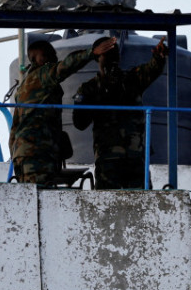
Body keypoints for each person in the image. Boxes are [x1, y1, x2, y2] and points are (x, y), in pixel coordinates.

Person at [10, 37, 117, 185]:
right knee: (41, 198)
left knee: (31, 199)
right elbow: (65, 66)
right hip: (39, 153)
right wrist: (91, 53)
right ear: (34, 58)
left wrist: (15, 155)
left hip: (25, 155)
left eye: (53, 55)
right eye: (46, 55)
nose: (52, 58)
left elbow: (14, 127)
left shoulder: (23, 88)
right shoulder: (42, 74)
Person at [73, 37, 168, 189]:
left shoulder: (131, 79)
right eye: (108, 54)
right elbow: (79, 123)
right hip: (108, 158)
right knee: (108, 206)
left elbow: (152, 69)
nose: (113, 58)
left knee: (144, 205)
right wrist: (97, 98)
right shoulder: (89, 89)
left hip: (136, 157)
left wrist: (159, 56)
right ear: (97, 57)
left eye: (115, 53)